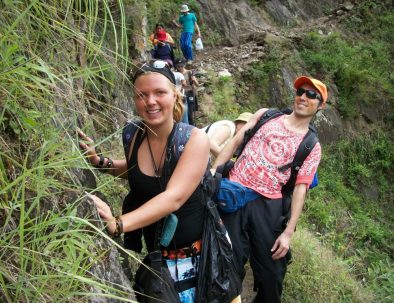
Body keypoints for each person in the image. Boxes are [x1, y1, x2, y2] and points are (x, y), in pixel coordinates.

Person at [78, 60, 210, 303]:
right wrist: (101, 162)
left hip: (196, 260)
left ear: (175, 94)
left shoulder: (194, 140)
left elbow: (174, 197)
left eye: (160, 92)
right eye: (142, 94)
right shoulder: (132, 134)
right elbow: (136, 171)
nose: (150, 101)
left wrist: (118, 224)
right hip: (157, 257)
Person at [212, 76, 328, 303]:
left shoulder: (311, 145)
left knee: (272, 273)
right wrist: (213, 173)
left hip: (268, 205)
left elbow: (300, 189)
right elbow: (234, 143)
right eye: (300, 92)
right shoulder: (266, 115)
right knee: (227, 262)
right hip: (233, 192)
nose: (304, 97)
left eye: (312, 95)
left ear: (321, 105)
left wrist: (288, 233)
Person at [174, 58, 199, 125]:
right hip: (181, 95)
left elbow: (197, 84)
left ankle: (192, 128)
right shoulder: (175, 74)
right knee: (182, 114)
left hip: (189, 94)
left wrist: (194, 80)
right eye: (178, 66)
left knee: (190, 114)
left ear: (184, 65)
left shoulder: (189, 72)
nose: (180, 68)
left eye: (181, 66)